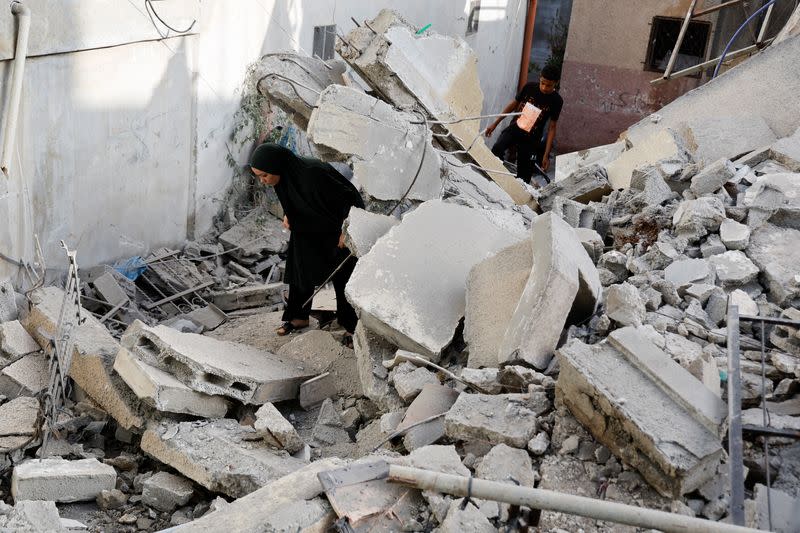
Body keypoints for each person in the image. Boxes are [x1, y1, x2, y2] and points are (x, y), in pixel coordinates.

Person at [250, 143, 365, 343]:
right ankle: (298, 317)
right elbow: (295, 199)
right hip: (307, 228)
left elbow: (352, 198)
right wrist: (289, 214)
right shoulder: (281, 178)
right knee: (300, 271)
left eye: (264, 175)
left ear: (276, 165)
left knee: (342, 274)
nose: (263, 181)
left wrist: (347, 231)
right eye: (259, 176)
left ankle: (351, 327)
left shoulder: (313, 173)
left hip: (335, 229)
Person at [484, 65, 563, 184]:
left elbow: (552, 127)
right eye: (542, 83)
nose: (544, 87)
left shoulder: (557, 100)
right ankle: (496, 180)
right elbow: (512, 105)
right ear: (540, 78)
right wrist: (494, 124)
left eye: (549, 85)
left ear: (556, 83)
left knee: (524, 176)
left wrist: (545, 155)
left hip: (532, 137)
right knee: (497, 148)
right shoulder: (529, 87)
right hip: (516, 127)